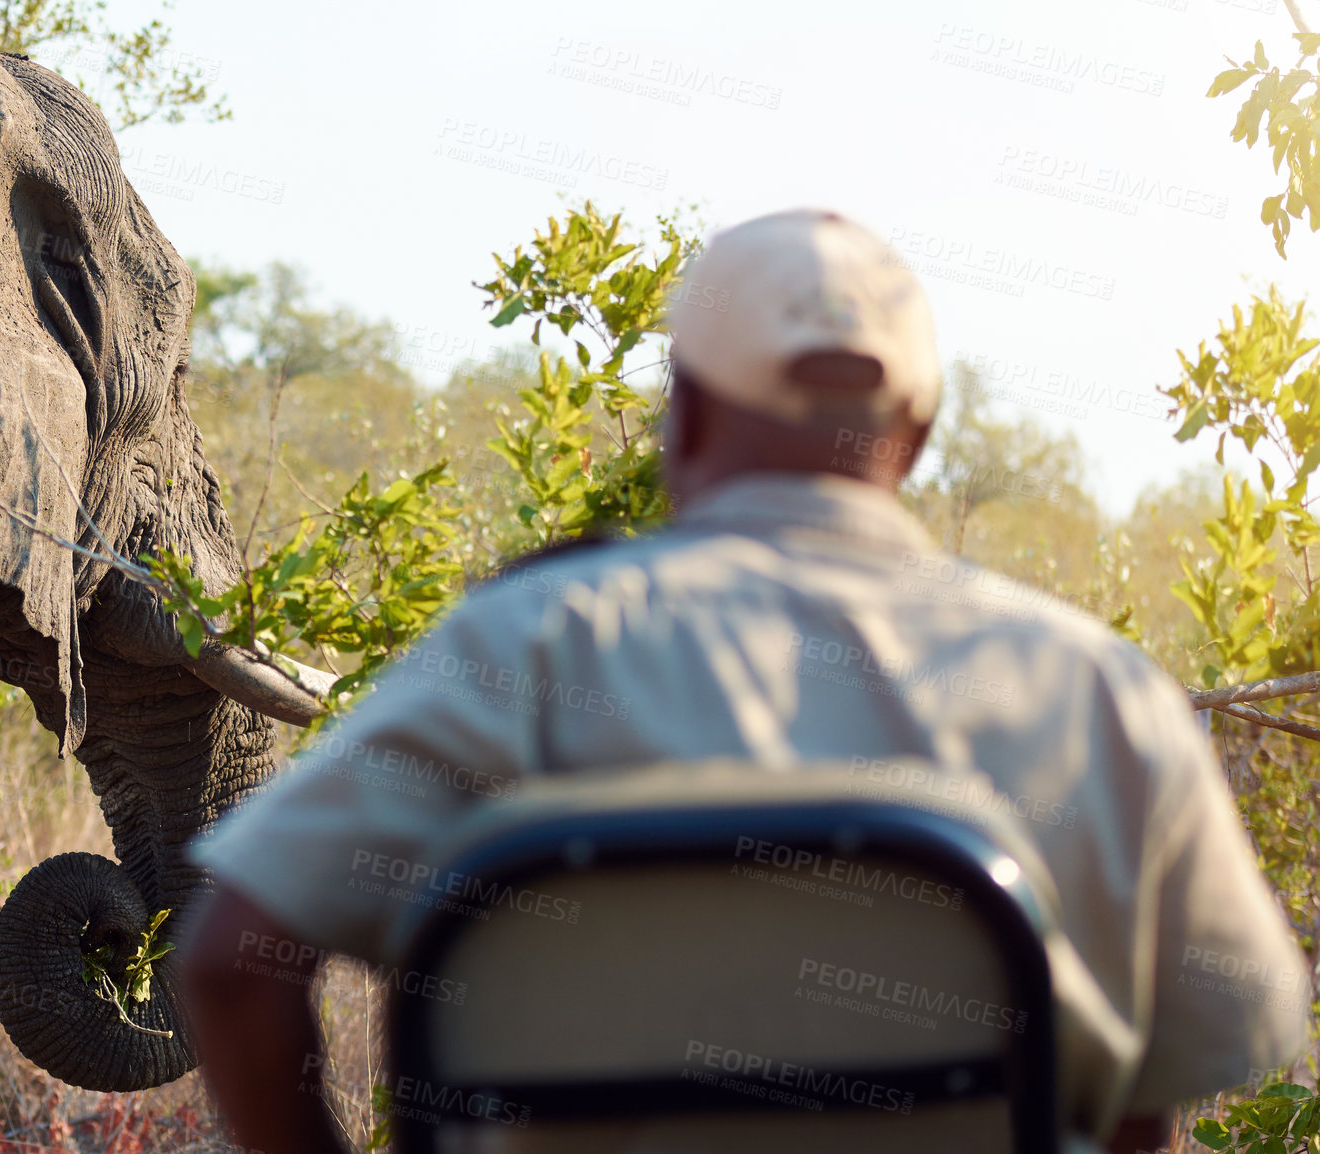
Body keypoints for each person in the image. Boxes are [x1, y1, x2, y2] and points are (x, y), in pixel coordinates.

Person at [179, 209, 1310, 1154]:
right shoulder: (1102, 695)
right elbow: (1147, 1092)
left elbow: (233, 963)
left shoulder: (529, 648)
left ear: (690, 406)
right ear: (914, 432)